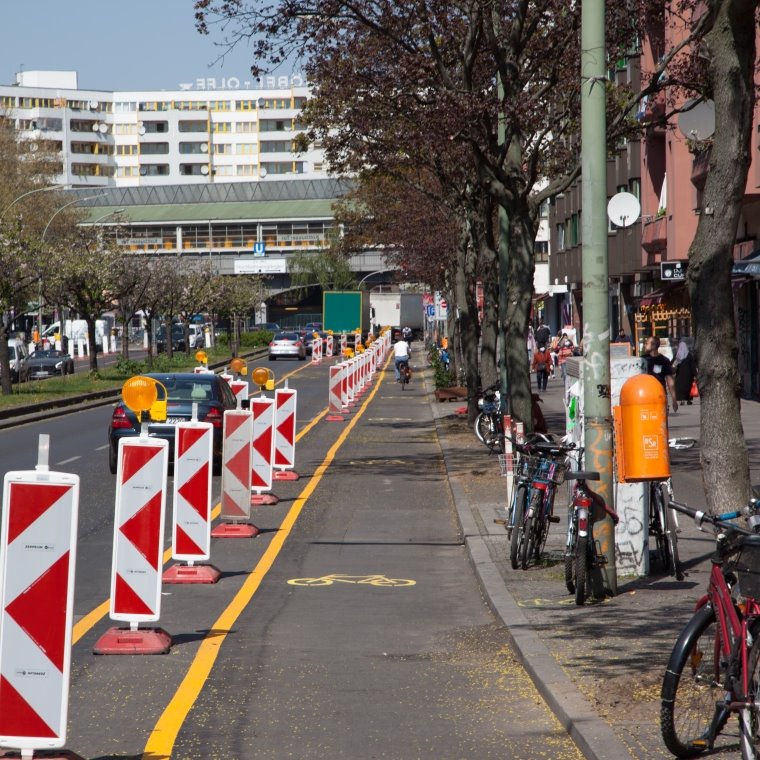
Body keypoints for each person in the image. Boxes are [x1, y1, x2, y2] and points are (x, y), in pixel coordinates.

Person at [644, 336, 678, 413]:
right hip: (645, 396)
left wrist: (674, 400)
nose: (644, 345)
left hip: (660, 395)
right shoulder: (642, 360)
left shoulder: (664, 361)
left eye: (646, 343)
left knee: (661, 422)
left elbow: (670, 381)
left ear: (653, 346)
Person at [673, 338, 697, 406]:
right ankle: (689, 400)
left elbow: (673, 364)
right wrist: (695, 374)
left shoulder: (678, 355)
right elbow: (693, 366)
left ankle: (682, 400)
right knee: (688, 388)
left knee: (681, 388)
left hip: (680, 375)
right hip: (688, 376)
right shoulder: (689, 356)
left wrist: (672, 371)